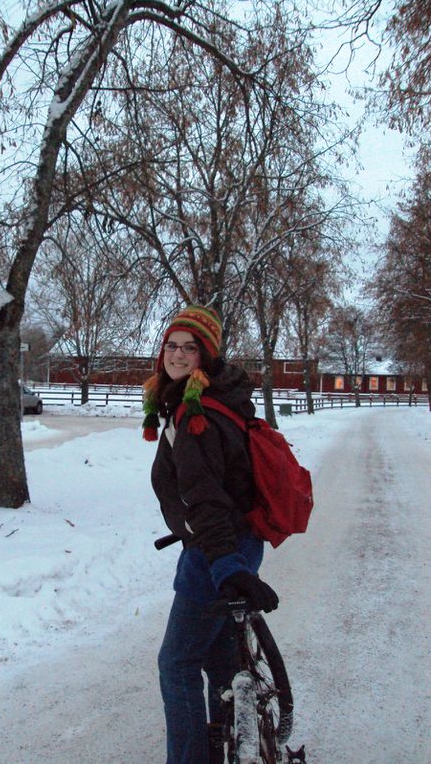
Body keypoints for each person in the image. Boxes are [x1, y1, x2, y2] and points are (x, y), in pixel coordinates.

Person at [143, 304, 279, 764]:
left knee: (176, 664)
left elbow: (206, 497)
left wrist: (223, 564)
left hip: (215, 550)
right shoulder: (219, 398)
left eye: (190, 347)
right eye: (172, 345)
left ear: (206, 355)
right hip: (236, 542)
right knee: (220, 659)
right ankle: (234, 739)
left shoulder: (195, 413)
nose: (178, 355)